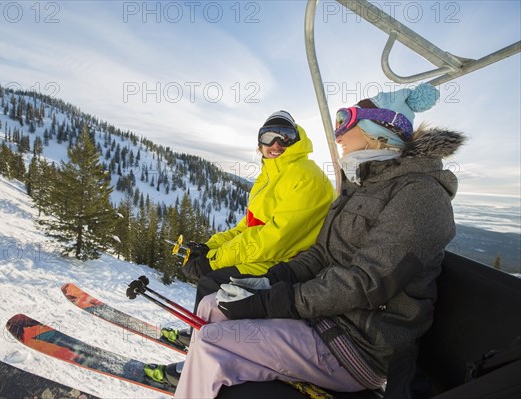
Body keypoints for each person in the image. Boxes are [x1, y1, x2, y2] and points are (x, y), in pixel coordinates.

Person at [171, 83, 465, 398]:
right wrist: (270, 280)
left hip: (357, 345)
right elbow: (321, 255)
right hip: (324, 319)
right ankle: (201, 378)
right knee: (212, 306)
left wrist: (273, 300)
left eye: (345, 121)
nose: (337, 135)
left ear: (377, 130)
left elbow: (365, 282)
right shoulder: (362, 187)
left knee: (210, 342)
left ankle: (202, 375)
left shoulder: (420, 196)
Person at [146, 110, 336, 384]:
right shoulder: (269, 175)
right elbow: (246, 228)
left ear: (297, 140)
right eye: (268, 137)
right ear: (259, 143)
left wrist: (215, 261)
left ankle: (205, 359)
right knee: (211, 281)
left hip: (288, 262)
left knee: (212, 284)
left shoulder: (304, 175)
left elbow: (273, 238)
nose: (276, 144)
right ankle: (204, 339)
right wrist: (208, 247)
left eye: (286, 136)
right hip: (269, 254)